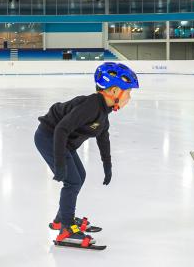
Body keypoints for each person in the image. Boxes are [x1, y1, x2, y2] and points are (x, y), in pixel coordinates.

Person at [34, 62, 138, 249]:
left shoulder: (103, 113)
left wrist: (108, 167)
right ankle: (66, 229)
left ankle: (62, 218)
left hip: (63, 141)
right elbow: (61, 129)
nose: (129, 98)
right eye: (128, 92)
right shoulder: (91, 105)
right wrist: (59, 164)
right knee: (72, 181)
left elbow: (103, 139)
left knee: (79, 177)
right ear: (114, 91)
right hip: (49, 136)